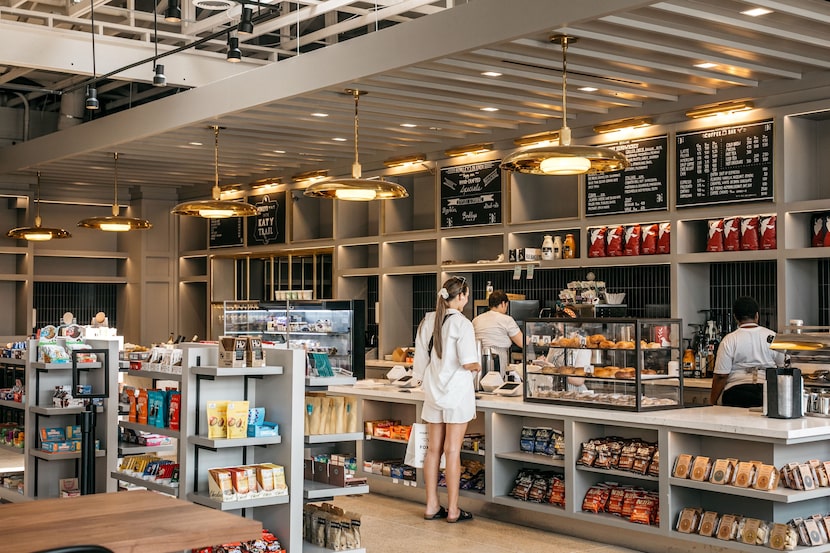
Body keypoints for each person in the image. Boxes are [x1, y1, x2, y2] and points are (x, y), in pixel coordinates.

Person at [413, 276, 480, 523]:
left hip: (433, 393)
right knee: (452, 451)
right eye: (467, 294)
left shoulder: (428, 321)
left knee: (433, 450)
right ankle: (453, 510)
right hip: (457, 394)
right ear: (461, 296)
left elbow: (419, 365)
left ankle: (432, 505)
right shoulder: (462, 324)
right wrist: (479, 365)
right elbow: (468, 362)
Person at [710, 296, 785, 407]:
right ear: (757, 316)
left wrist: (712, 402)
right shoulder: (772, 336)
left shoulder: (729, 340)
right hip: (766, 392)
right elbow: (783, 368)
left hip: (735, 393)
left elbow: (721, 376)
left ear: (735, 317)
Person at [472, 290, 523, 376]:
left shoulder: (475, 320)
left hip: (478, 359)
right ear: (503, 303)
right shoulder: (507, 319)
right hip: (497, 358)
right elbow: (522, 342)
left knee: (481, 386)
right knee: (495, 385)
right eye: (506, 306)